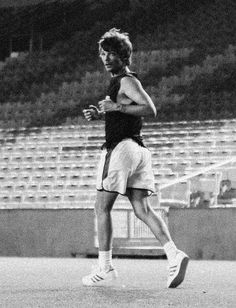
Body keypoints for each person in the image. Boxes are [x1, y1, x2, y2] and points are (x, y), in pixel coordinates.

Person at [82, 28, 189, 288]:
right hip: (138, 150)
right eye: (102, 53)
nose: (106, 58)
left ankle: (105, 266)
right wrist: (102, 114)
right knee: (142, 208)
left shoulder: (127, 80)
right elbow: (127, 114)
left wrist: (116, 107)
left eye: (111, 53)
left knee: (101, 207)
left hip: (121, 150)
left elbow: (150, 109)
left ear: (123, 55)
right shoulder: (121, 82)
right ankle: (174, 255)